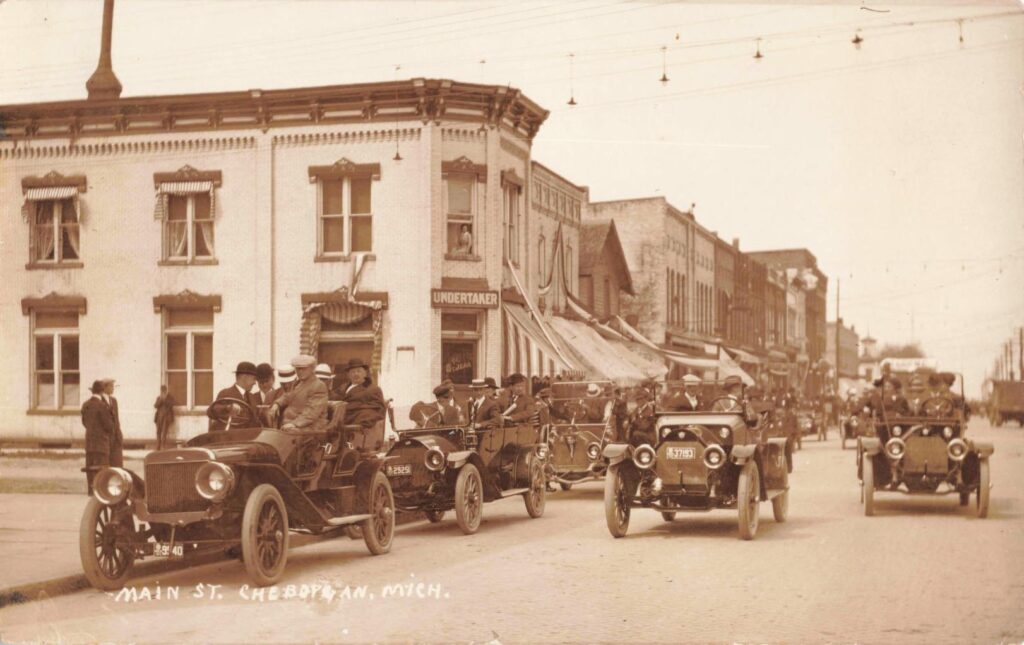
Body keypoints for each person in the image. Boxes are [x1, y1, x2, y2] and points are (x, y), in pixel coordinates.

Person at [268, 355, 328, 433]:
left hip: (311, 427)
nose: (300, 371)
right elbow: (286, 396)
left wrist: (294, 424)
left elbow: (312, 413)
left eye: (303, 368)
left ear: (312, 369)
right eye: (297, 368)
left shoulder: (318, 385)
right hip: (293, 425)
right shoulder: (298, 383)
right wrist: (277, 404)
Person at [82, 379, 121, 495]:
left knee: (90, 467)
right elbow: (108, 426)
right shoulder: (102, 406)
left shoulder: (86, 405)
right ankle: (101, 491)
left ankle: (91, 490)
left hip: (89, 442)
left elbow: (84, 422)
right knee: (102, 468)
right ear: (101, 391)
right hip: (102, 443)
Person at [334, 358, 386, 428]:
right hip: (337, 420)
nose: (356, 374)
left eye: (359, 371)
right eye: (353, 372)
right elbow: (333, 398)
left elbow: (378, 409)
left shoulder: (373, 389)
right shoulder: (343, 387)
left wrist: (351, 407)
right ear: (348, 375)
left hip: (354, 423)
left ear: (365, 373)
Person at [210, 362, 259, 431]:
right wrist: (228, 407)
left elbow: (256, 421)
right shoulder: (225, 393)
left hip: (248, 438)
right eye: (254, 379)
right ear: (244, 377)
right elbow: (211, 412)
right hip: (230, 438)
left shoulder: (252, 397)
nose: (255, 383)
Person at [153, 385, 176, 450]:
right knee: (158, 432)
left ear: (166, 390)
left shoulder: (170, 397)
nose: (163, 392)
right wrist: (161, 399)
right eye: (161, 390)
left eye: (164, 390)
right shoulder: (159, 398)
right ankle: (158, 446)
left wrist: (165, 399)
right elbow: (155, 405)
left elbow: (172, 404)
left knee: (164, 432)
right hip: (159, 418)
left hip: (166, 418)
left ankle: (163, 446)